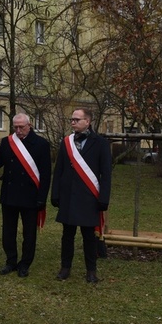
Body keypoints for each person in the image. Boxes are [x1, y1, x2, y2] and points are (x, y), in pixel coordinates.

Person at [50, 107, 112, 283]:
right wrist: (55, 194)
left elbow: (106, 174)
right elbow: (59, 169)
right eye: (72, 119)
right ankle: (65, 268)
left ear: (88, 121)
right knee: (67, 236)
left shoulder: (100, 143)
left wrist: (104, 198)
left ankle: (91, 271)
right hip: (68, 197)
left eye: (77, 119)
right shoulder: (66, 142)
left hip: (89, 198)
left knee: (89, 237)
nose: (73, 122)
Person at [0, 113, 51, 278]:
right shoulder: (7, 142)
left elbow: (46, 175)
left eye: (21, 127)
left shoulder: (41, 144)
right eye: (15, 127)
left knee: (29, 233)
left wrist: (42, 198)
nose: (18, 130)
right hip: (10, 195)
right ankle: (10, 261)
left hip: (30, 196)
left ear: (29, 125)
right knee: (8, 232)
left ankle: (24, 264)